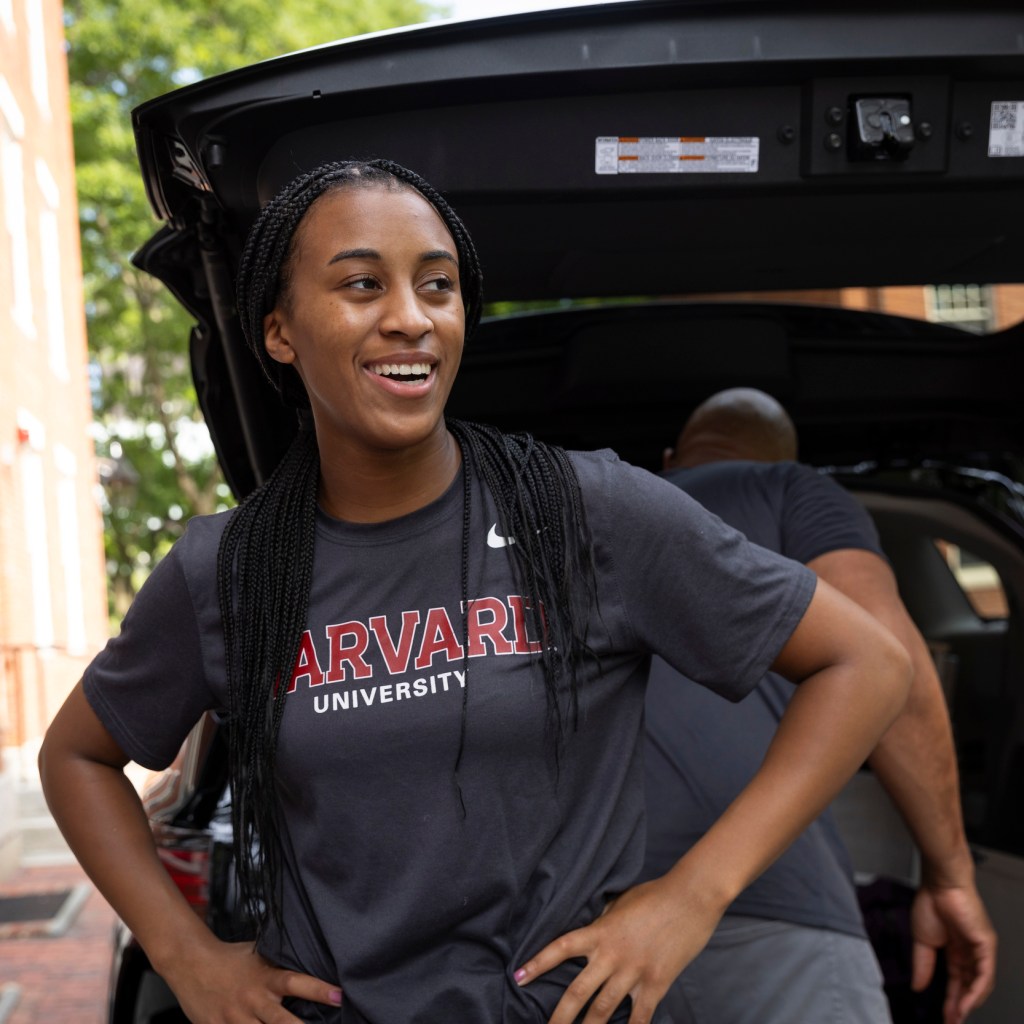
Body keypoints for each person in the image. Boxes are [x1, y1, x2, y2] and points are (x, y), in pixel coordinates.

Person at [39, 161, 911, 1024]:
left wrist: (694, 893)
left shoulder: (582, 512)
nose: (409, 319)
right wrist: (185, 955)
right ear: (279, 331)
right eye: (360, 285)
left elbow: (866, 662)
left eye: (438, 286)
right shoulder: (228, 568)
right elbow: (77, 758)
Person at [642, 387, 997, 1024]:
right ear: (787, 458)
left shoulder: (590, 505)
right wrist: (951, 876)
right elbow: (890, 656)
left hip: (581, 923)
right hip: (774, 908)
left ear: (671, 459)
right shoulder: (789, 487)